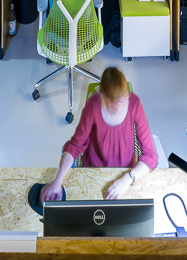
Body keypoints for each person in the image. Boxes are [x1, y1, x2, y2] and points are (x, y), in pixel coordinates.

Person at [36, 67, 155, 206]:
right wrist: (57, 181)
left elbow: (151, 156)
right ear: (103, 95)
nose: (120, 106)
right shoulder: (93, 105)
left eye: (123, 100)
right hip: (92, 169)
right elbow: (75, 146)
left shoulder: (134, 104)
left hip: (124, 171)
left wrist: (127, 179)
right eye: (114, 102)